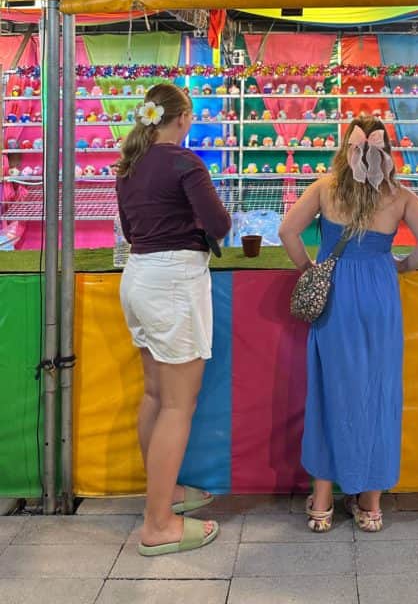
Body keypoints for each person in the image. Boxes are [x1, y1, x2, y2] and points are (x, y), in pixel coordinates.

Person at [279, 116, 418, 534]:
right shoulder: (400, 196)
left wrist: (312, 269)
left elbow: (287, 232)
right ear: (385, 152)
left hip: (336, 295)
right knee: (377, 392)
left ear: (344, 149)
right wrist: (401, 266)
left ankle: (321, 502)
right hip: (380, 296)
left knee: (331, 392)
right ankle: (370, 504)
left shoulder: (324, 188)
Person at [116, 83, 232, 557]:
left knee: (155, 394)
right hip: (174, 283)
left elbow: (128, 229)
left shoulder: (130, 165)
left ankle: (165, 497)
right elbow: (220, 224)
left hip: (138, 277)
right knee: (177, 406)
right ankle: (158, 524)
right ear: (182, 118)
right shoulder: (185, 162)